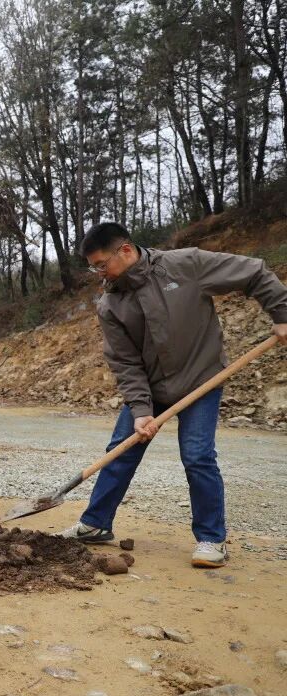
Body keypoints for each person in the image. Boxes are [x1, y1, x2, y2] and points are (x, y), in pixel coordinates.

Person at [60, 222, 287, 568]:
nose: (99, 273)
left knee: (197, 456)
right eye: (93, 267)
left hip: (201, 380)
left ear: (125, 250)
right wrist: (141, 410)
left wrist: (282, 314)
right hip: (151, 388)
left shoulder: (185, 265)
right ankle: (95, 524)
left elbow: (254, 272)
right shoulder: (110, 305)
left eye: (102, 264)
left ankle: (211, 539)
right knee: (120, 451)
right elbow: (125, 362)